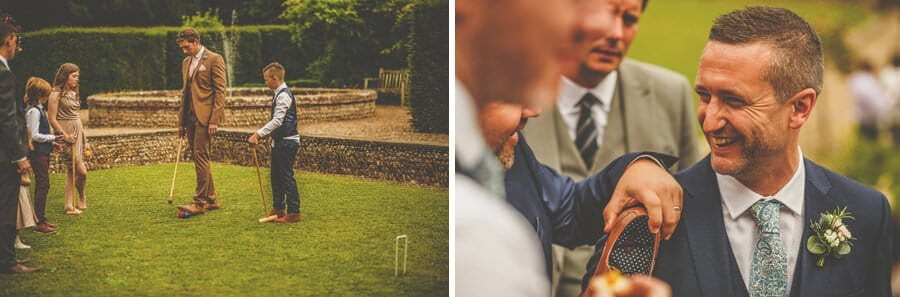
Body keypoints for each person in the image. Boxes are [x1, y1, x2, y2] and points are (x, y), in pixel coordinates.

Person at [582, 7, 891, 295]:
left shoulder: (866, 213)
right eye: (705, 96)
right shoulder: (647, 220)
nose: (710, 121)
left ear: (800, 107)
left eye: (734, 101)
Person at [456, 0, 676, 295]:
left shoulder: (509, 148)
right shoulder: (468, 236)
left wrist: (635, 167)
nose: (533, 111)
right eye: (507, 94)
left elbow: (568, 209)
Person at [520, 0, 701, 294]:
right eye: (602, 16)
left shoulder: (671, 92)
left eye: (629, 19)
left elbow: (693, 214)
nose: (616, 33)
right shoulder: (513, 92)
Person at [174, 28, 227, 215]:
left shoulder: (214, 59)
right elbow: (185, 93)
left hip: (206, 118)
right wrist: (181, 122)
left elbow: (220, 92)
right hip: (189, 118)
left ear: (196, 42)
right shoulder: (186, 62)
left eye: (186, 46)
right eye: (181, 47)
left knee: (201, 156)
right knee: (199, 157)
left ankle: (199, 202)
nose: (184, 50)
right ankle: (211, 199)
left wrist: (214, 120)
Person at [0, 21, 39, 274]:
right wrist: (19, 156)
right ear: (8, 40)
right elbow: (7, 118)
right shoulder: (3, 73)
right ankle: (7, 261)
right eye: (15, 41)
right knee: (5, 208)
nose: (16, 46)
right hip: (4, 157)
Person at [247, 62, 301, 223]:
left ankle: (294, 212)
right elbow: (280, 122)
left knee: (286, 177)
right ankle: (278, 209)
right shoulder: (279, 93)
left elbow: (278, 120)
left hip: (287, 142)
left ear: (275, 78)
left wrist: (258, 134)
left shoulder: (283, 95)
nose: (266, 83)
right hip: (280, 141)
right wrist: (273, 135)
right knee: (276, 177)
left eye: (267, 80)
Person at [47, 63, 89, 215]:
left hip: (77, 134)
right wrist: (65, 136)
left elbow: (77, 117)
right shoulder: (55, 94)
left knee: (74, 172)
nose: (77, 79)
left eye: (78, 76)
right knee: (80, 171)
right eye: (74, 76)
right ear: (65, 76)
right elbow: (52, 119)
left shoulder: (74, 92)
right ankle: (74, 201)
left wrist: (85, 141)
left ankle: (72, 202)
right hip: (65, 136)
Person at [24, 77, 59, 233]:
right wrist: (53, 138)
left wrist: (53, 144)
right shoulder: (33, 111)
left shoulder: (39, 110)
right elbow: (34, 135)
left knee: (44, 184)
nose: (48, 97)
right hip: (37, 153)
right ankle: (39, 221)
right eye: (46, 94)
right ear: (39, 95)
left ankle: (41, 219)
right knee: (43, 184)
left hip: (43, 151)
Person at [848, 61, 891, 141]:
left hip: (862, 120)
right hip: (870, 121)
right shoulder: (866, 82)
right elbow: (874, 102)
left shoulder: (855, 80)